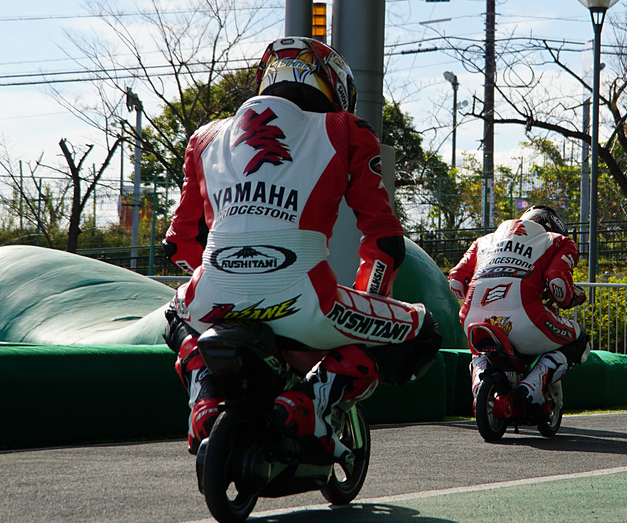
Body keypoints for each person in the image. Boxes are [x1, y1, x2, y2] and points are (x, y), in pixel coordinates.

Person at [161, 37, 441, 460]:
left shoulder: (203, 138)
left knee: (174, 314)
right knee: (424, 329)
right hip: (309, 302)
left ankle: (203, 394)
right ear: (334, 86)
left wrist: (227, 284)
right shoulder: (348, 130)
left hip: (210, 302)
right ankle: (311, 404)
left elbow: (179, 244)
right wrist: (368, 300)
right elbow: (385, 242)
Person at [448, 205, 590, 419]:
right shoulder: (558, 241)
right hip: (526, 318)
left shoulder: (484, 240)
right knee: (580, 339)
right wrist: (572, 298)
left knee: (479, 351)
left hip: (472, 316)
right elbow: (558, 285)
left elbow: (456, 282)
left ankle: (479, 384)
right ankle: (534, 383)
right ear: (554, 227)